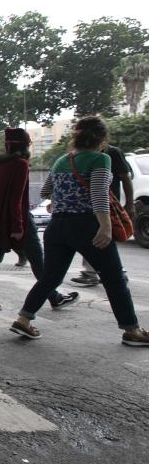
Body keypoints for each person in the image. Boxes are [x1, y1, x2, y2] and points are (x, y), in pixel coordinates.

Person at [10, 116, 148, 346]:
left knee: (50, 277)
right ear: (102, 138)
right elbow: (98, 194)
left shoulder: (62, 160)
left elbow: (45, 190)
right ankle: (132, 330)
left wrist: (62, 198)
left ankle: (23, 319)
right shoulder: (101, 158)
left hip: (57, 227)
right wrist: (105, 226)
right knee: (113, 278)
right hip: (87, 225)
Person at [0, 128, 78, 312]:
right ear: (25, 145)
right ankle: (54, 297)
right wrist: (18, 225)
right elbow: (16, 199)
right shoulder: (20, 165)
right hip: (17, 219)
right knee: (37, 259)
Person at [71, 142, 134, 286]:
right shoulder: (80, 155)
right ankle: (97, 272)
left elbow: (125, 177)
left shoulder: (112, 152)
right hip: (88, 205)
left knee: (104, 237)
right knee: (96, 238)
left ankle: (112, 273)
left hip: (107, 203)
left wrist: (130, 204)